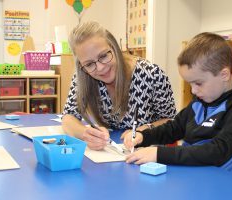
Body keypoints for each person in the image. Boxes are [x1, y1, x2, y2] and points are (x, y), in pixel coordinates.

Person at [123, 32, 232, 175]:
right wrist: (144, 136)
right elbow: (174, 128)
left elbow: (217, 152)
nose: (193, 90)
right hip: (191, 175)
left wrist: (159, 154)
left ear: (224, 75)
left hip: (223, 182)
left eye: (198, 83)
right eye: (190, 84)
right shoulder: (199, 102)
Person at [62, 21, 176, 150]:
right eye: (89, 64)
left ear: (114, 47)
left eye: (104, 56)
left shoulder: (151, 74)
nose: (100, 68)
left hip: (149, 152)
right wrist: (85, 134)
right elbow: (68, 117)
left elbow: (171, 121)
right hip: (111, 152)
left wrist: (144, 130)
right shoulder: (83, 76)